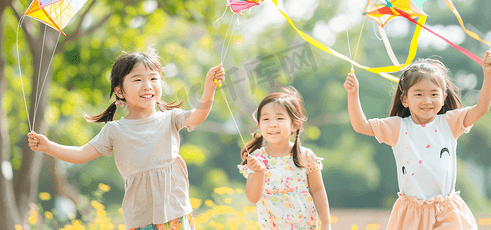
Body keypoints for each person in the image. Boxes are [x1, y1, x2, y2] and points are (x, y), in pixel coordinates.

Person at [28, 48, 225, 230]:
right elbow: (81, 154)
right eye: (137, 80)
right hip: (141, 219)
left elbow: (199, 115)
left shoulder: (170, 118)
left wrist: (210, 86)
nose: (147, 86)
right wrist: (48, 146)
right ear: (120, 91)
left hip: (176, 213)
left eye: (153, 79)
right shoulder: (115, 130)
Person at [343, 50, 491, 230]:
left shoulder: (449, 123)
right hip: (411, 214)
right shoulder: (398, 127)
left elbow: (481, 108)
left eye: (433, 94)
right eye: (418, 94)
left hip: (446, 210)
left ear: (443, 97)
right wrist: (353, 95)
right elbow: (361, 126)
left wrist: (488, 75)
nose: (427, 101)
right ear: (405, 99)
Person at [238, 87, 332, 230]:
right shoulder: (257, 159)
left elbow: (318, 190)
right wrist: (259, 172)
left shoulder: (305, 156)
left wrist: (326, 223)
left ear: (294, 125)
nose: (272, 124)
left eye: (280, 118)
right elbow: (253, 198)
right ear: (259, 125)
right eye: (266, 119)